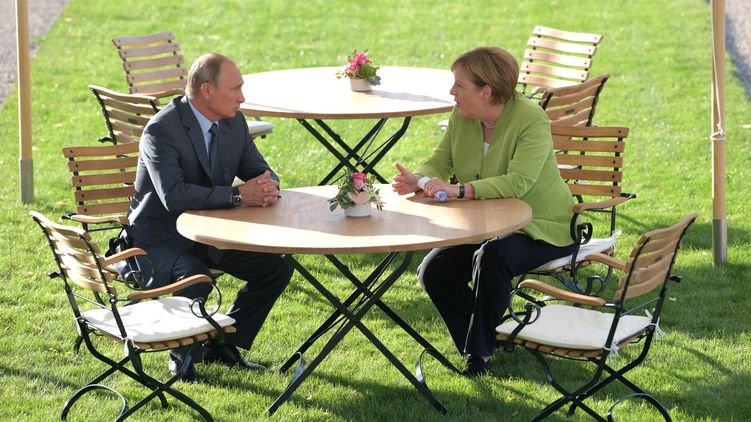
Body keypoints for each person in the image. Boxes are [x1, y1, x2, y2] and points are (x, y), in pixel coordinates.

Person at [392, 47, 576, 376]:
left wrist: (459, 190)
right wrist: (418, 179)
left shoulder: (531, 119)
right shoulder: (461, 116)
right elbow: (440, 161)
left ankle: (479, 355)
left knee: (492, 257)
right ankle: (492, 337)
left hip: (543, 226)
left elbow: (518, 182)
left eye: (459, 85)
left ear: (486, 91)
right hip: (486, 224)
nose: (452, 92)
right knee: (434, 270)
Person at [127, 53, 294, 382]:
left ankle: (222, 345)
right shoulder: (161, 130)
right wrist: (238, 196)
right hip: (161, 239)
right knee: (196, 277)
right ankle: (182, 360)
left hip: (210, 232)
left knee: (275, 267)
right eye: (235, 89)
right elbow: (174, 196)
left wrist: (266, 185)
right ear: (207, 90)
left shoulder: (234, 122)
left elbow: (259, 169)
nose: (242, 97)